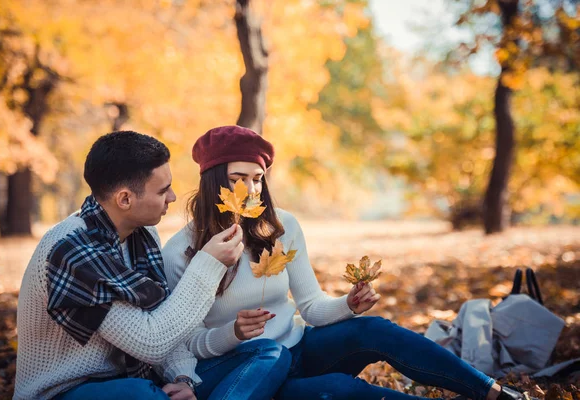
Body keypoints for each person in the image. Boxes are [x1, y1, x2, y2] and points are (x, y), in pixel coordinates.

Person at [162, 125, 535, 400]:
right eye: (238, 178)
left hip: (300, 349)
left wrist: (347, 304)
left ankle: (494, 394)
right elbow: (181, 343)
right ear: (213, 182)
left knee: (374, 329)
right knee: (341, 391)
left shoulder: (281, 226)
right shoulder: (183, 251)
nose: (252, 189)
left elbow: (310, 307)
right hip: (247, 372)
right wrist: (234, 334)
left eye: (258, 179)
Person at [14, 131, 288, 400]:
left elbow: (163, 320)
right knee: (142, 394)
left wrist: (183, 378)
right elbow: (150, 343)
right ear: (125, 199)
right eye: (162, 190)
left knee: (265, 352)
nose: (172, 197)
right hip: (67, 390)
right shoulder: (71, 252)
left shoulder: (141, 235)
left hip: (136, 379)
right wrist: (209, 263)